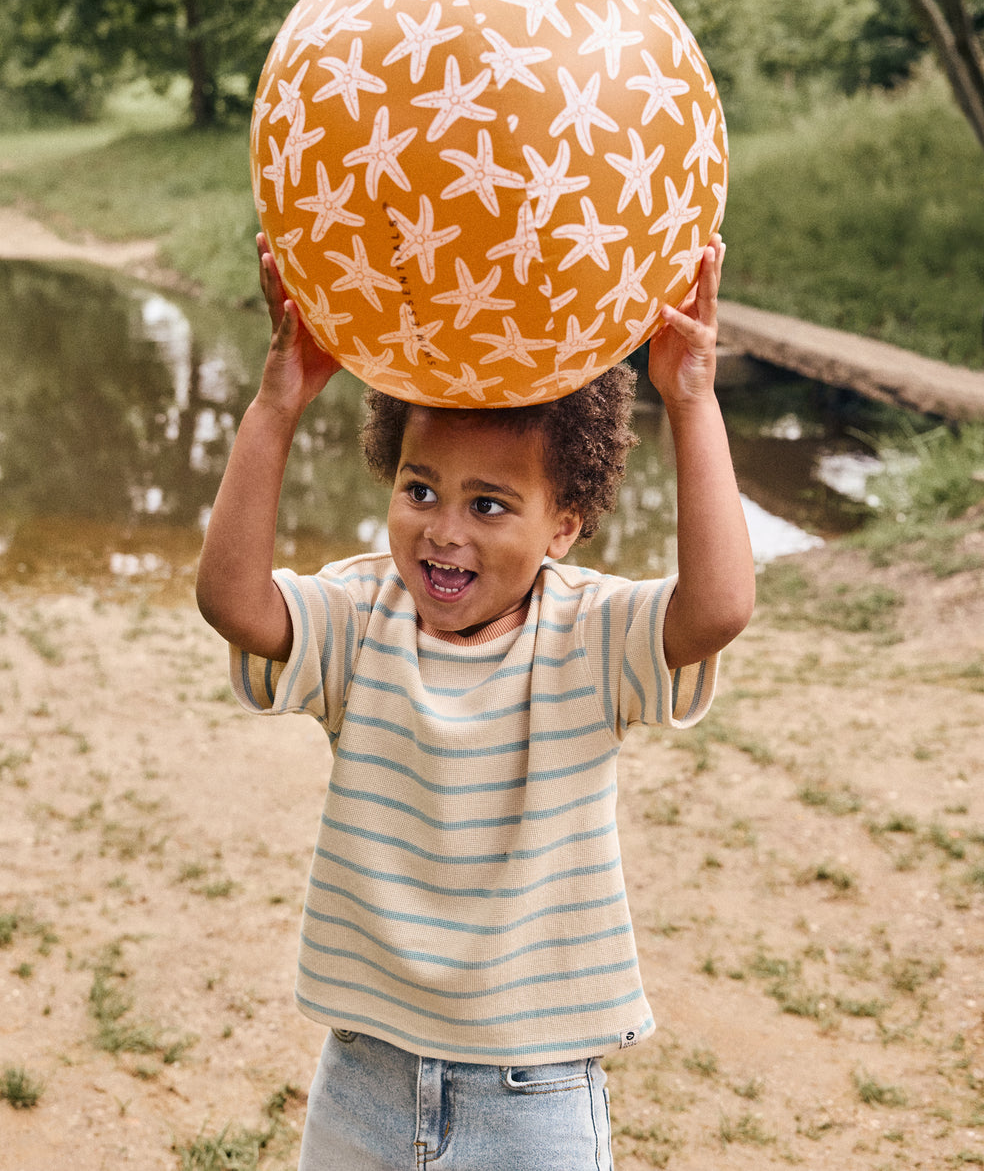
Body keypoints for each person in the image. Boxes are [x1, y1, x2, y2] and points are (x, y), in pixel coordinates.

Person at [196, 231, 755, 1171]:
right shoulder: (360, 616)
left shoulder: (590, 639)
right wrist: (275, 407)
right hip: (363, 1073)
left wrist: (691, 403)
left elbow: (718, 608)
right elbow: (234, 603)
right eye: (421, 489)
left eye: (490, 505)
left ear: (564, 526)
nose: (442, 531)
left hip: (531, 1095)